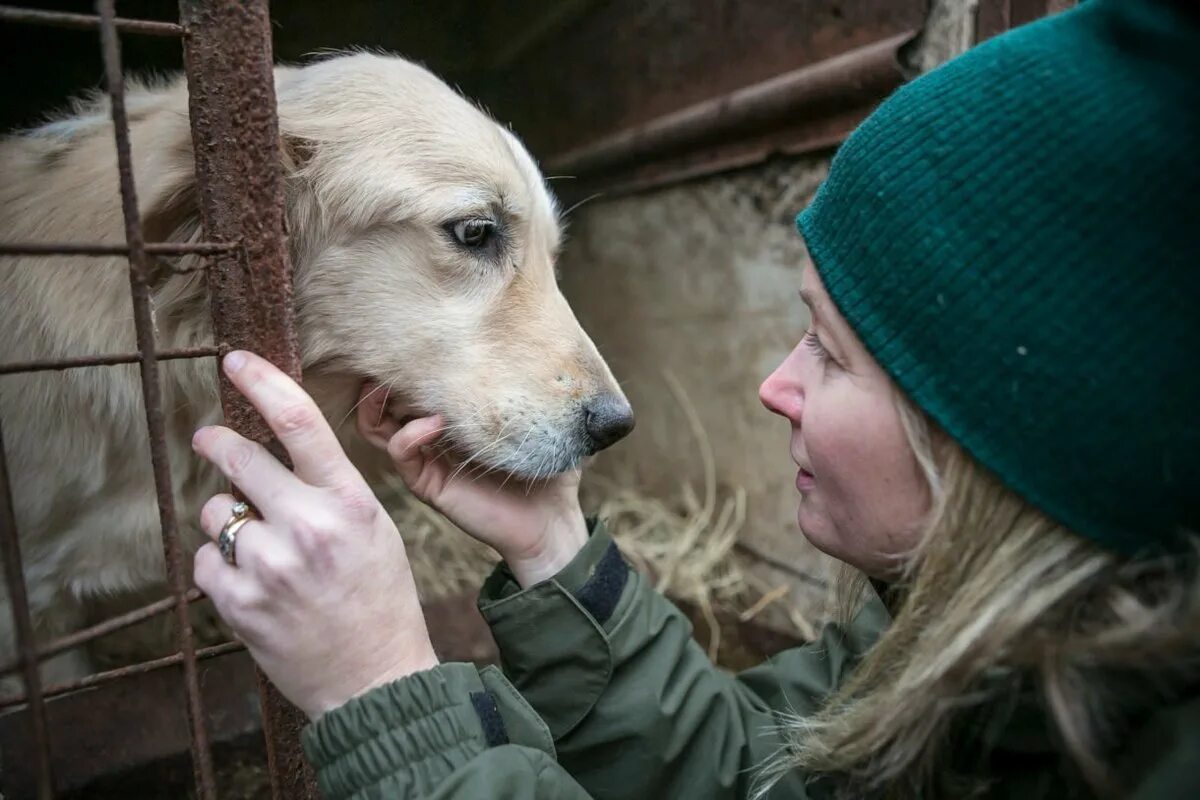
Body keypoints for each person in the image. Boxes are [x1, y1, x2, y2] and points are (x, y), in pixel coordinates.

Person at [190, 1, 1199, 797]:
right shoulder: (975, 651)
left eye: (831, 353)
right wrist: (553, 554)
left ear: (998, 433)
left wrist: (387, 692)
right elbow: (760, 774)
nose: (774, 386)